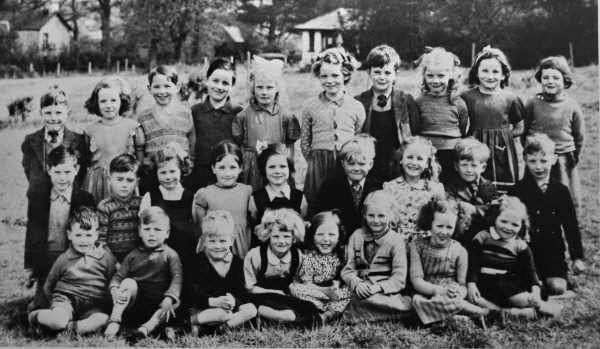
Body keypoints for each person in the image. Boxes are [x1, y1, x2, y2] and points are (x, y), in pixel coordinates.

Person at [508, 133, 585, 296]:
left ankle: (551, 281)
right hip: (526, 252)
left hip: (553, 252)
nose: (538, 167)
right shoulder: (517, 191)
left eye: (543, 161)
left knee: (557, 288)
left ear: (554, 159)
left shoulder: (561, 191)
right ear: (525, 160)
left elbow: (571, 226)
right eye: (533, 161)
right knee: (527, 287)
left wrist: (577, 257)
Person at [466, 196, 562, 319]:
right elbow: (473, 263)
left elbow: (530, 271)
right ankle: (510, 314)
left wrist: (535, 291)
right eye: (504, 221)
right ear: (496, 218)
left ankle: (547, 308)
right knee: (476, 300)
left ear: (522, 225)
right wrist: (471, 283)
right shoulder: (482, 237)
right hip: (483, 282)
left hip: (506, 284)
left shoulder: (520, 245)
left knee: (524, 300)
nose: (508, 227)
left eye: (515, 224)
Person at [24, 145, 95, 311]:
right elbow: (32, 234)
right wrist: (32, 266)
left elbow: (89, 235)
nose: (62, 178)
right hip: (47, 258)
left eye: (67, 172)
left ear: (76, 170)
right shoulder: (38, 198)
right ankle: (39, 303)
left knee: (74, 302)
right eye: (57, 172)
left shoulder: (85, 198)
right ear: (49, 170)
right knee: (41, 304)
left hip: (73, 258)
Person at [28, 207, 117, 335]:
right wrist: (57, 304)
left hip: (93, 305)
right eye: (78, 235)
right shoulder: (64, 258)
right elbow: (49, 285)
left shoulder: (106, 257)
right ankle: (35, 316)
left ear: (96, 235)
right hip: (66, 300)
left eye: (88, 235)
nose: (83, 240)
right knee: (58, 320)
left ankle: (71, 328)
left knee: (103, 319)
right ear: (69, 235)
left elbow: (112, 281)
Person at [104, 207, 183, 341]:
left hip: (159, 303)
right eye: (147, 229)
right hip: (137, 304)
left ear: (167, 233)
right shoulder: (133, 255)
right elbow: (117, 278)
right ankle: (114, 320)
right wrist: (114, 290)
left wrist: (169, 298)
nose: (151, 234)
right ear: (140, 232)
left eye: (157, 230)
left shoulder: (171, 255)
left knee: (176, 303)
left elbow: (177, 279)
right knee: (128, 282)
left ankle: (145, 329)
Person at [301, 48, 366, 207]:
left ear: (345, 74)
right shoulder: (310, 106)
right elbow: (305, 142)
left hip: (345, 164)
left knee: (343, 203)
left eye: (335, 75)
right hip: (318, 164)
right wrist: (315, 161)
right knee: (318, 203)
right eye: (324, 76)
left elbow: (358, 137)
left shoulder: (356, 106)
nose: (329, 80)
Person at [410, 199, 488, 325]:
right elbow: (416, 280)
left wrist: (458, 293)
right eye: (439, 226)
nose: (444, 232)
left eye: (449, 227)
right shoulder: (417, 246)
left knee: (451, 301)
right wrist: (439, 291)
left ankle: (467, 313)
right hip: (425, 293)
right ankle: (466, 315)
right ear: (430, 223)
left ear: (456, 226)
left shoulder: (460, 251)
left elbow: (463, 285)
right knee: (416, 302)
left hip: (450, 295)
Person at [524, 56, 584, 211]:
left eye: (556, 77)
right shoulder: (532, 103)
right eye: (546, 77)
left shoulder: (571, 106)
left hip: (562, 158)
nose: (550, 81)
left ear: (565, 80)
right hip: (537, 158)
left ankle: (563, 224)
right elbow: (524, 130)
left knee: (561, 196)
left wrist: (573, 156)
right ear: (540, 79)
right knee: (534, 195)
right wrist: (531, 150)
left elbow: (579, 136)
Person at [341, 190, 411, 322]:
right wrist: (357, 284)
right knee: (351, 297)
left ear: (391, 216)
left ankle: (363, 313)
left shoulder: (396, 240)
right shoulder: (357, 236)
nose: (376, 220)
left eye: (381, 216)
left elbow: (399, 278)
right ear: (365, 215)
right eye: (371, 215)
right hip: (360, 290)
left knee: (377, 301)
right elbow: (348, 270)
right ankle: (387, 314)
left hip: (384, 293)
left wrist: (378, 288)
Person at [461, 46, 525, 190]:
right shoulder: (466, 97)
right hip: (474, 148)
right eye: (485, 71)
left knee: (501, 190)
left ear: (504, 75)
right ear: (476, 73)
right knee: (473, 187)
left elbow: (520, 127)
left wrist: (503, 136)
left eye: (495, 71)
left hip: (501, 151)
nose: (490, 76)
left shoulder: (511, 98)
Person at [232, 58, 301, 191]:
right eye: (259, 87)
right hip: (252, 168)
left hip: (277, 165)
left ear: (277, 89)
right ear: (253, 89)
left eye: (269, 87)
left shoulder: (286, 116)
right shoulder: (243, 116)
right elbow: (239, 145)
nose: (264, 92)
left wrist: (289, 166)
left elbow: (290, 146)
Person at [244, 208, 319, 325]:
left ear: (294, 237)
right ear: (268, 235)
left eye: (286, 237)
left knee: (310, 309)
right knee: (250, 305)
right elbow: (249, 288)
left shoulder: (297, 256)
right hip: (261, 295)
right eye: (276, 237)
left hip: (286, 297)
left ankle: (278, 318)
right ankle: (270, 316)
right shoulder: (255, 255)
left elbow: (302, 283)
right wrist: (275, 292)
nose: (281, 241)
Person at [355, 44, 418, 182]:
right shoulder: (359, 102)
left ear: (395, 74)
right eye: (377, 72)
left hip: (397, 167)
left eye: (387, 73)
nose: (382, 77)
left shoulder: (406, 101)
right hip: (368, 166)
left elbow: (414, 134)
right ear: (369, 72)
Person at [188, 210, 257, 335]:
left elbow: (241, 291)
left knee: (251, 310)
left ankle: (221, 329)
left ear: (231, 240)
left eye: (222, 241)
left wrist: (234, 300)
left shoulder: (237, 263)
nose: (217, 246)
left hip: (228, 308)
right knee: (222, 314)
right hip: (204, 308)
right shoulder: (197, 261)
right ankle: (189, 324)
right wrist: (213, 301)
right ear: (203, 240)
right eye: (212, 241)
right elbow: (192, 292)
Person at [140, 144, 197, 282]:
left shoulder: (191, 197)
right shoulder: (150, 197)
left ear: (181, 170)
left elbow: (196, 227)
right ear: (156, 173)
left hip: (186, 256)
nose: (168, 177)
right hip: (157, 258)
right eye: (163, 172)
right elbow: (143, 229)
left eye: (172, 171)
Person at [135, 65, 195, 194]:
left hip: (180, 177)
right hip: (153, 177)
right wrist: (142, 167)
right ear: (149, 89)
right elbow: (139, 148)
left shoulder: (185, 113)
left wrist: (188, 163)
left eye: (167, 86)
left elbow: (192, 143)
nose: (162, 91)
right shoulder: (143, 117)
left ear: (176, 87)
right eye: (157, 87)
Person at [412, 47, 469, 182]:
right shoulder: (419, 101)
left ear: (451, 75)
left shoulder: (458, 102)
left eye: (441, 76)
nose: (435, 81)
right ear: (424, 76)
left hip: (452, 154)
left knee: (451, 189)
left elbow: (463, 127)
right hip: (426, 154)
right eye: (430, 76)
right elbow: (416, 128)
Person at [312, 134, 381, 237]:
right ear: (343, 164)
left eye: (362, 164)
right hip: (338, 241)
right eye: (351, 164)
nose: (356, 168)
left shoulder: (377, 188)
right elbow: (319, 217)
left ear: (370, 164)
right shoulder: (329, 187)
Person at [83, 76, 138, 203]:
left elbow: (138, 158)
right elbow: (87, 159)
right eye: (103, 101)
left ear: (122, 101)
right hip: (98, 182)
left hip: (124, 180)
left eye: (113, 100)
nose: (109, 106)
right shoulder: (90, 130)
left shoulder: (132, 126)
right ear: (96, 103)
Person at [193, 141, 253, 258]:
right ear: (213, 168)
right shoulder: (205, 193)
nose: (227, 173)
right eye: (221, 167)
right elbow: (201, 228)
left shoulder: (247, 192)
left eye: (232, 167)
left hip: (240, 248)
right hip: (215, 247)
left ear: (240, 168)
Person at [289, 211, 351, 324]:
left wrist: (335, 288)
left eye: (331, 235)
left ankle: (328, 314)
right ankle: (317, 311)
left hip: (334, 294)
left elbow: (345, 277)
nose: (326, 239)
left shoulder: (342, 254)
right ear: (312, 236)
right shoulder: (309, 257)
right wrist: (325, 291)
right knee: (294, 288)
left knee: (350, 291)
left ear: (339, 236)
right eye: (320, 234)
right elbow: (306, 284)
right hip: (316, 293)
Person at [191, 58, 243, 190]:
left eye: (225, 83)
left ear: (232, 86)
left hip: (229, 179)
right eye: (215, 81)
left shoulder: (239, 113)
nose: (219, 87)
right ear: (207, 80)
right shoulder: (194, 111)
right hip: (199, 179)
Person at [383, 136, 445, 240]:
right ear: (401, 159)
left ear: (427, 164)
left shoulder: (434, 189)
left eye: (420, 159)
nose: (414, 163)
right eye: (410, 157)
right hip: (397, 243)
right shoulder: (390, 187)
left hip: (425, 243)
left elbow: (442, 219)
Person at [445, 138, 499, 245]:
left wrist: (474, 209)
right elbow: (451, 207)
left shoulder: (488, 186)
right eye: (464, 165)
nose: (469, 170)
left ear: (483, 167)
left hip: (483, 238)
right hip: (459, 237)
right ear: (456, 166)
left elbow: (495, 209)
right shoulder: (451, 187)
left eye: (474, 165)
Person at [249, 143, 308, 242]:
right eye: (272, 167)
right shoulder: (256, 198)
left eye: (282, 166)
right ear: (264, 169)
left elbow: (302, 219)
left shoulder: (299, 197)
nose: (277, 171)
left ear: (290, 169)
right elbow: (254, 221)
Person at [96, 154, 141, 262]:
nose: (124, 185)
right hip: (111, 259)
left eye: (129, 180)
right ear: (109, 180)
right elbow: (100, 241)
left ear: (137, 182)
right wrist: (114, 263)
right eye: (119, 179)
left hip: (137, 259)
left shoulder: (141, 203)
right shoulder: (105, 207)